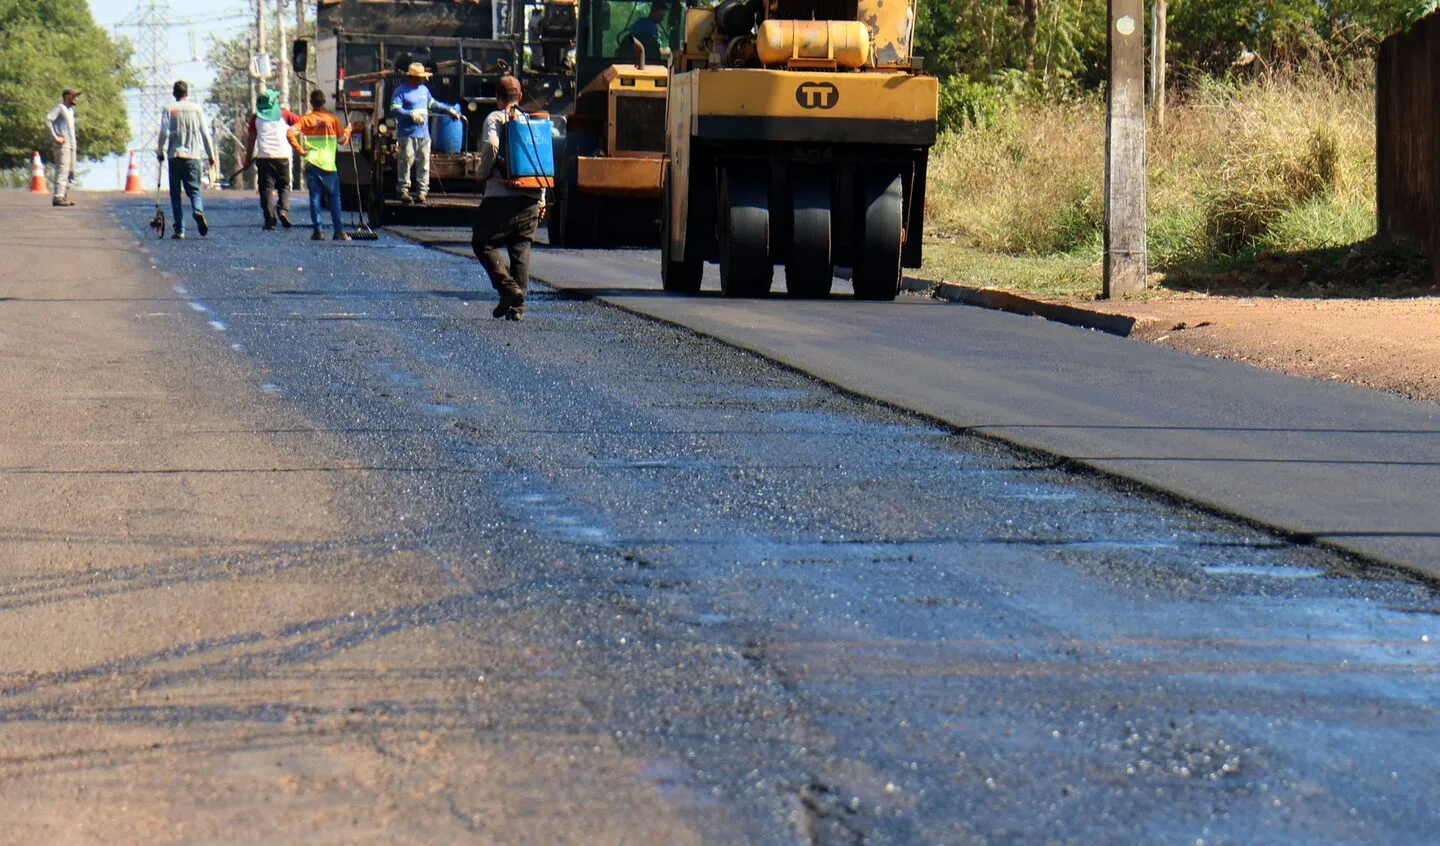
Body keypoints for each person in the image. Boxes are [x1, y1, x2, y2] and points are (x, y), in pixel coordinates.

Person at [471, 75, 545, 322]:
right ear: (520, 97)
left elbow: (492, 145)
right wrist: (541, 198)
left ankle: (508, 289)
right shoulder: (531, 121)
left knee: (482, 243)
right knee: (520, 247)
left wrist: (482, 172)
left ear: (497, 97)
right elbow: (541, 161)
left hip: (501, 197)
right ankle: (516, 306)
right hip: (532, 195)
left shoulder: (496, 117)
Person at [388, 62, 459, 205]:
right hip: (407, 134)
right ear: (413, 77)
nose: (423, 79)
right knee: (406, 161)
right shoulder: (401, 91)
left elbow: (433, 104)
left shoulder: (424, 91)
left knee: (424, 163)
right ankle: (403, 191)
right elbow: (395, 109)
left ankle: (422, 192)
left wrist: (448, 110)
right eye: (420, 77)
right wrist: (411, 115)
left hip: (424, 135)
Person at [287, 89, 353, 242]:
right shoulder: (333, 120)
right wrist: (348, 130)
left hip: (312, 162)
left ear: (311, 103)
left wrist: (300, 150)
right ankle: (339, 231)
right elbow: (342, 140)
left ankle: (318, 231)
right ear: (323, 102)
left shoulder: (306, 120)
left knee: (315, 198)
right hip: (328, 164)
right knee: (334, 198)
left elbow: (290, 133)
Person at [156, 80, 217, 239]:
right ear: (187, 93)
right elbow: (204, 133)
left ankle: (179, 229)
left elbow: (163, 132)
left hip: (174, 156)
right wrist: (211, 155)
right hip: (193, 156)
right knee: (194, 190)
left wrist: (160, 150)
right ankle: (198, 210)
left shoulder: (169, 109)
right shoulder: (196, 109)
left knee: (175, 194)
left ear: (174, 93)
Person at [244, 89, 300, 230]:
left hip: (264, 157)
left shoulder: (256, 117)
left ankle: (269, 219)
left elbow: (251, 140)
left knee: (266, 189)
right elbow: (301, 123)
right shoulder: (284, 114)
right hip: (283, 156)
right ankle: (283, 211)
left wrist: (248, 159)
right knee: (284, 186)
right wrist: (292, 133)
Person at [46, 89, 80, 207]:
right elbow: (48, 120)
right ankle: (58, 197)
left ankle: (64, 195)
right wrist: (55, 137)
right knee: (63, 170)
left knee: (71, 171)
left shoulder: (70, 111)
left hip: (72, 145)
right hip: (63, 145)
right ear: (67, 97)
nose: (77, 99)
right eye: (74, 96)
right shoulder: (60, 108)